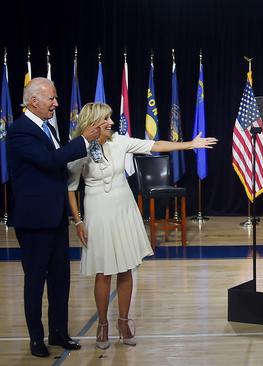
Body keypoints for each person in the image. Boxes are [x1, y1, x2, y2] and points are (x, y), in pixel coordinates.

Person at [66, 102, 217, 349]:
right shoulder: (78, 149)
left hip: (123, 209)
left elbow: (155, 145)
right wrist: (79, 221)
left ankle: (123, 322)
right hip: (97, 212)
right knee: (103, 271)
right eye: (107, 120)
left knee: (126, 269)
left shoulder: (120, 142)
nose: (112, 123)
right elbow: (71, 189)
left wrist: (190, 144)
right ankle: (102, 324)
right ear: (94, 122)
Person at [7, 78, 105, 357]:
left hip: (55, 217)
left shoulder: (47, 127)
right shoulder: (19, 131)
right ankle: (36, 338)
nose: (56, 104)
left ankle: (58, 332)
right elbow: (51, 162)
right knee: (35, 281)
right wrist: (84, 140)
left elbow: (57, 166)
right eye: (52, 98)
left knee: (60, 279)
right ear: (34, 101)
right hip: (34, 221)